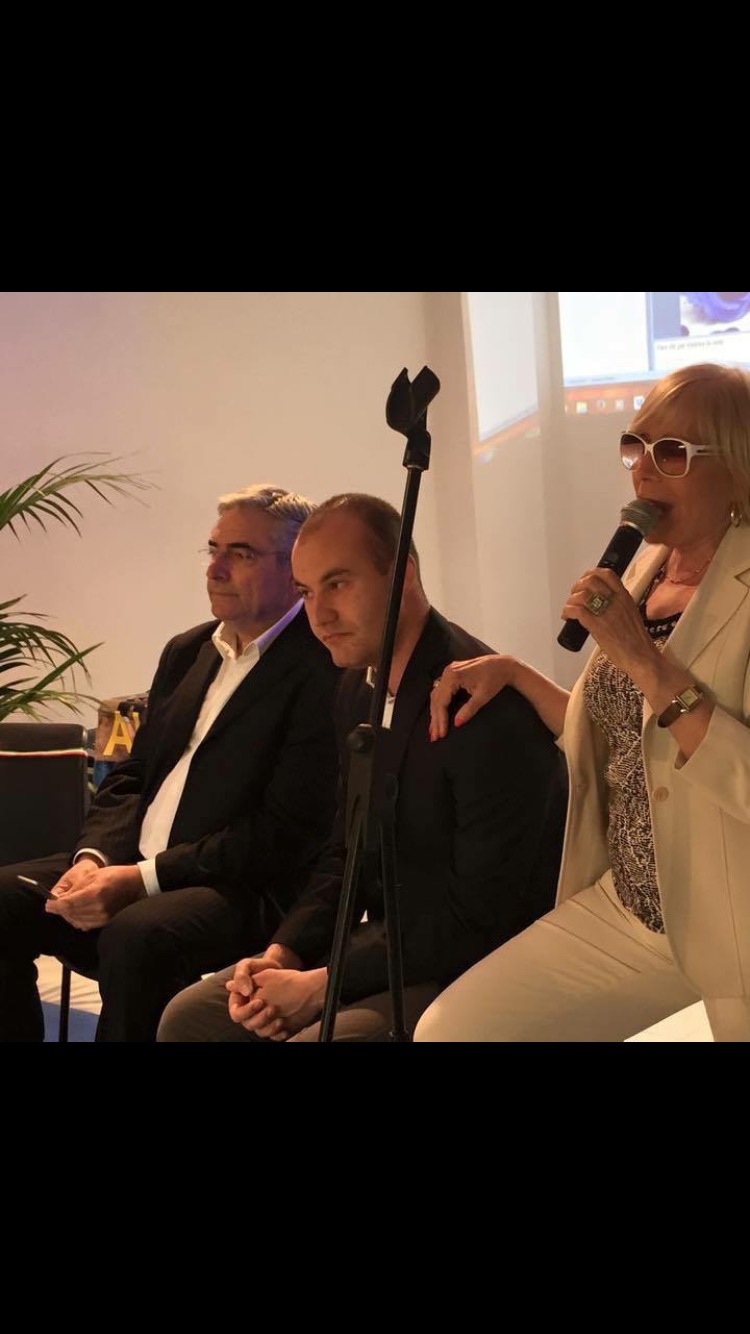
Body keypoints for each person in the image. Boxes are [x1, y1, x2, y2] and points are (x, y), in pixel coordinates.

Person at [414, 362, 750, 1043]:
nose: (643, 471)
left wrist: (643, 658)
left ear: (738, 466)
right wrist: (516, 675)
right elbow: (631, 734)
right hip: (631, 907)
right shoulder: (646, 569)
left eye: (672, 452)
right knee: (448, 1032)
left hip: (731, 917)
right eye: (635, 445)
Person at [157, 493, 567, 1042]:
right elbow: (344, 852)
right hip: (388, 950)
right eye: (306, 592)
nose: (318, 615)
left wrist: (324, 983)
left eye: (338, 584)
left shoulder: (479, 704)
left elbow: (479, 914)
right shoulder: (354, 687)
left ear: (403, 575)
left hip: (477, 963)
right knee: (191, 1017)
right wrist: (285, 951)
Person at [0, 484, 340, 1042]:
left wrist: (142, 881)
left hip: (242, 887)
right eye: (213, 550)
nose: (215, 569)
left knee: (137, 936)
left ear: (294, 567)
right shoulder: (188, 650)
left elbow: (280, 833)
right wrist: (93, 858)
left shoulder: (324, 666)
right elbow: (132, 776)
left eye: (241, 554)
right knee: (3, 898)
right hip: (131, 865)